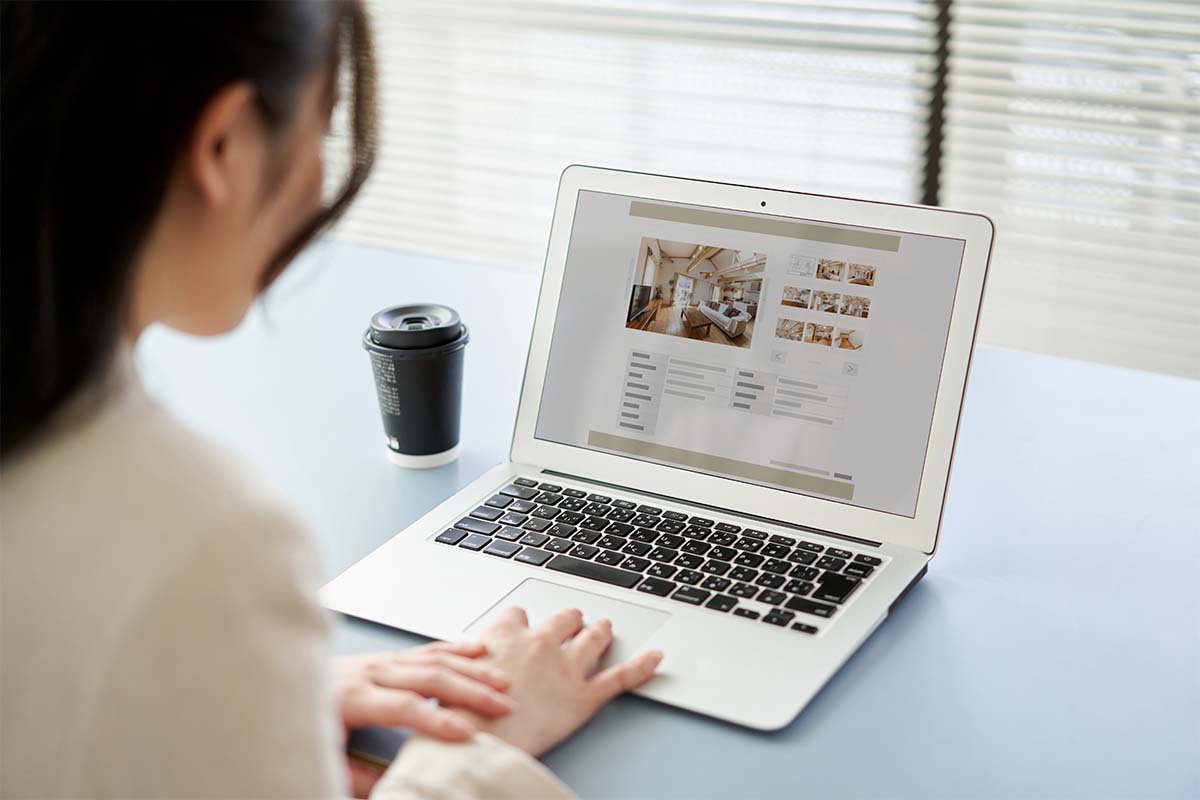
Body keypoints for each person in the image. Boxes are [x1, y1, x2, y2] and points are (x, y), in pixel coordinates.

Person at [0, 2, 662, 797]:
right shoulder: (208, 544)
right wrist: (477, 746)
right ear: (224, 145)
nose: (320, 173)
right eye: (324, 122)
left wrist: (245, 700)